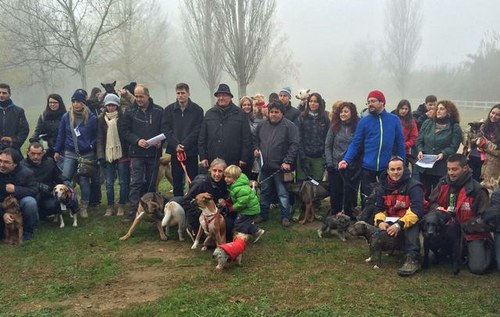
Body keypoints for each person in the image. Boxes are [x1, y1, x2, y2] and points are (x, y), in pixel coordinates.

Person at [338, 90, 406, 205]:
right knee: (367, 198)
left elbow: (400, 142)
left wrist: (402, 161)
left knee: (386, 197)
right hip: (367, 167)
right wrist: (346, 159)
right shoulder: (364, 121)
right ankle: (365, 220)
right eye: (368, 102)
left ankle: (383, 220)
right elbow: (356, 143)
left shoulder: (394, 120)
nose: (370, 104)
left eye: (373, 101)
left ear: (382, 102)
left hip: (387, 167)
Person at [429, 154, 492, 274]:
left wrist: (462, 226)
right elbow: (431, 203)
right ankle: (446, 252)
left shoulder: (477, 190)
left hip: (470, 233)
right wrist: (438, 209)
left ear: (465, 168)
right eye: (448, 169)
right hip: (446, 228)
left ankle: (484, 250)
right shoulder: (442, 183)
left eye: (454, 169)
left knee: (478, 268)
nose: (451, 173)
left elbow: (485, 220)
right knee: (429, 227)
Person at [371, 156, 424, 276]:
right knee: (376, 223)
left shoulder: (414, 186)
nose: (396, 172)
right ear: (388, 171)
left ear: (404, 169)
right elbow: (379, 208)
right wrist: (380, 222)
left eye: (399, 169)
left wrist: (399, 225)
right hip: (391, 219)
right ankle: (389, 249)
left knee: (412, 226)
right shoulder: (382, 187)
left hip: (410, 220)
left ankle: (413, 259)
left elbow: (417, 211)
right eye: (393, 169)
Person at [121, 84, 164, 222]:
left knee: (151, 184)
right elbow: (124, 131)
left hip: (153, 153)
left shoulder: (159, 111)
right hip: (136, 153)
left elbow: (165, 129)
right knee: (136, 183)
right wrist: (137, 140)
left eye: (141, 96)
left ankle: (151, 211)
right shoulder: (129, 111)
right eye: (137, 96)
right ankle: (133, 212)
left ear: (148, 95)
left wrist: (160, 142)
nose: (138, 99)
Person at [254, 102, 300, 227]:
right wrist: (256, 148)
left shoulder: (290, 126)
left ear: (282, 113)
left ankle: (285, 216)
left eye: (276, 112)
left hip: (280, 168)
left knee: (283, 193)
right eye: (271, 112)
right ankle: (263, 214)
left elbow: (294, 145)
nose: (273, 114)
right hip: (265, 167)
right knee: (264, 191)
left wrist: (287, 161)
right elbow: (256, 140)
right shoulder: (262, 125)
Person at [54, 89, 97, 218]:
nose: (75, 104)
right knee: (65, 178)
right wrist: (57, 150)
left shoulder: (92, 118)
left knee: (84, 181)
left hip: (86, 154)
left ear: (83, 103)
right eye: (73, 101)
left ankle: (83, 207)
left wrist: (91, 145)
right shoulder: (66, 117)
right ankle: (67, 202)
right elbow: (61, 134)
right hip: (70, 152)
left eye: (78, 101)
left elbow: (96, 136)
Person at [162, 83, 204, 196]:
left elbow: (198, 129)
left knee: (192, 179)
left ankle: (192, 203)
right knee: (176, 180)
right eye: (178, 93)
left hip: (191, 151)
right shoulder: (169, 110)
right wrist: (176, 144)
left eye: (183, 93)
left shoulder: (197, 110)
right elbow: (166, 129)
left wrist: (184, 144)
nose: (180, 96)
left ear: (188, 93)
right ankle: (178, 202)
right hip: (175, 152)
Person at [198, 84, 252, 169]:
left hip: (234, 161)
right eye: (219, 96)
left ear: (230, 97)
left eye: (224, 95)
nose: (221, 98)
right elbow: (202, 138)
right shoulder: (209, 114)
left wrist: (244, 158)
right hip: (213, 160)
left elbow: (247, 139)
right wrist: (203, 157)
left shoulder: (240, 114)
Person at [416, 100, 462, 199]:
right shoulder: (427, 123)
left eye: (442, 109)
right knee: (423, 194)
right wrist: (420, 150)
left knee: (439, 195)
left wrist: (443, 153)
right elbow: (419, 140)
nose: (438, 111)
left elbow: (454, 147)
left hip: (441, 168)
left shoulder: (455, 127)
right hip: (425, 168)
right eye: (437, 109)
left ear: (449, 112)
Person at [178, 158, 233, 242]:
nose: (217, 174)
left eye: (220, 171)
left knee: (229, 229)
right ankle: (192, 229)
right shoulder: (201, 183)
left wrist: (224, 202)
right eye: (214, 170)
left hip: (214, 214)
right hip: (199, 215)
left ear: (224, 172)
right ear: (210, 170)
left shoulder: (224, 183)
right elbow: (185, 201)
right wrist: (202, 214)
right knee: (206, 241)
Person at [21, 142, 78, 220]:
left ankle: (69, 210)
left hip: (49, 193)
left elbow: (58, 176)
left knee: (57, 202)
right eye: (33, 153)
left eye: (39, 154)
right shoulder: (22, 165)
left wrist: (65, 183)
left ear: (43, 153)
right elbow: (22, 183)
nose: (36, 156)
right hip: (32, 194)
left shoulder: (50, 162)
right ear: (28, 152)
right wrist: (39, 185)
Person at [325, 102, 360, 219]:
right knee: (336, 191)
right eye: (341, 112)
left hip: (351, 166)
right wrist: (329, 163)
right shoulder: (334, 127)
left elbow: (359, 146)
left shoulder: (357, 127)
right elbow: (328, 146)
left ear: (352, 113)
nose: (343, 114)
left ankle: (348, 214)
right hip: (335, 166)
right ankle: (335, 213)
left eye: (346, 111)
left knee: (350, 192)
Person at [97, 94, 130, 217]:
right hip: (108, 154)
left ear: (117, 105)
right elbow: (100, 138)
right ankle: (110, 206)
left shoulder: (123, 118)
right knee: (109, 183)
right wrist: (101, 155)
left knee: (123, 182)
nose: (110, 108)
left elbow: (126, 136)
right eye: (108, 105)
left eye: (113, 105)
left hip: (122, 154)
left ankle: (121, 205)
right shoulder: (101, 119)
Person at [0, 147, 38, 241]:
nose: (1, 165)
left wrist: (15, 189)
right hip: (1, 204)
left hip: (18, 204)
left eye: (6, 162)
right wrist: (3, 214)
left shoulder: (26, 173)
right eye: (0, 161)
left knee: (30, 202)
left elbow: (34, 190)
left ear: (15, 164)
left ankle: (28, 231)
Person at [224, 165, 265, 242]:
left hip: (249, 210)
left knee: (238, 224)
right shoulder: (236, 185)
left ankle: (239, 240)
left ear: (235, 177)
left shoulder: (240, 188)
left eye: (229, 177)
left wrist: (233, 208)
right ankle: (256, 232)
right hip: (250, 208)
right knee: (245, 223)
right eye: (225, 176)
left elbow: (242, 202)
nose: (226, 179)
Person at [29, 93, 67, 161]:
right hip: (47, 148)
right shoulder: (43, 116)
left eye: (55, 102)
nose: (52, 104)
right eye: (50, 102)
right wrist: (32, 140)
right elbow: (37, 130)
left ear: (60, 103)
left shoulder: (65, 117)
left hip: (63, 149)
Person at [0, 83, 30, 150]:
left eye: (4, 93)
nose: (1, 95)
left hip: (13, 148)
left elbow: (24, 130)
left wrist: (13, 141)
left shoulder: (19, 111)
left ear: (9, 95)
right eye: (0, 92)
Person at [477, 104, 500, 181]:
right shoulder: (484, 126)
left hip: (494, 169)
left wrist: (485, 145)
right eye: (492, 113)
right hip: (479, 163)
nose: (493, 116)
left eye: (497, 115)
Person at [395, 99, 418, 165]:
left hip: (404, 151)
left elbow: (414, 138)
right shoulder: (393, 118)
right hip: (391, 150)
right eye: (402, 108)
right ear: (398, 108)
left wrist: (404, 145)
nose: (404, 111)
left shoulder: (411, 121)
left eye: (406, 109)